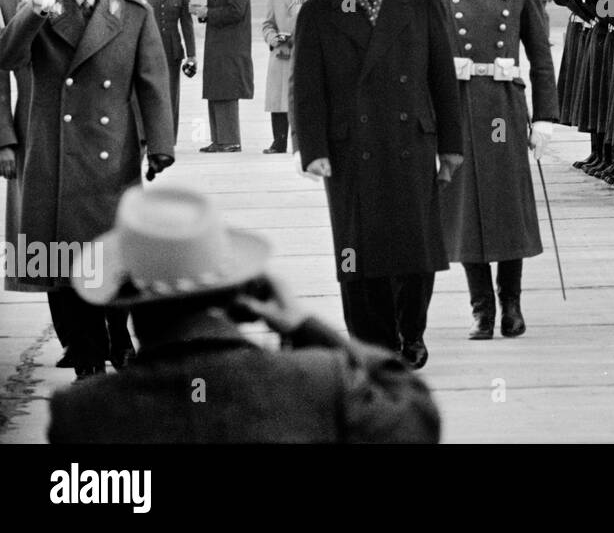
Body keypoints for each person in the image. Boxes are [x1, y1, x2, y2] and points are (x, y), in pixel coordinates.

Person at [47, 184, 442, 443]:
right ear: (237, 290)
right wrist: (305, 325)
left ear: (124, 301)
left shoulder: (82, 417)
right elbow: (417, 420)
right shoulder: (319, 382)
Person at [0, 0, 174, 378]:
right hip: (54, 157)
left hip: (110, 157)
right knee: (60, 265)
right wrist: (35, 12)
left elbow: (152, 82)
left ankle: (119, 341)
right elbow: (8, 59)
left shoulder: (132, 13)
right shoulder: (38, 10)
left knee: (112, 260)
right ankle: (87, 358)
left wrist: (160, 145)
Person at [292, 0, 464, 368]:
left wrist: (451, 147)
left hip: (412, 142)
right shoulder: (320, 12)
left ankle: (413, 332)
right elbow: (307, 90)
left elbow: (442, 81)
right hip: (351, 151)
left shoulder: (421, 3)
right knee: (357, 252)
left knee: (416, 248)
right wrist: (313, 151)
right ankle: (372, 342)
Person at [429, 0, 558, 340]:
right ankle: (481, 310)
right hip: (460, 110)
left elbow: (541, 60)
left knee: (505, 206)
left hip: (504, 108)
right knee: (466, 210)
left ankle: (512, 306)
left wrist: (544, 119)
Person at [1, 0, 71, 294]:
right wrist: (5, 141)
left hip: (86, 129)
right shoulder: (11, 3)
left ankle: (108, 334)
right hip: (33, 129)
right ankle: (71, 339)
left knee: (89, 227)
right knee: (42, 229)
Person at [193, 0, 252, 152]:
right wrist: (205, 13)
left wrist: (208, 12)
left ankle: (230, 140)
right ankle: (220, 139)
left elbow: (237, 11)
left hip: (229, 48)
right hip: (219, 47)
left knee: (226, 91)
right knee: (216, 90)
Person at [134, 0, 197, 144]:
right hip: (148, 51)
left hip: (172, 51)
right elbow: (135, 23)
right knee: (149, 93)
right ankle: (149, 137)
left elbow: (187, 24)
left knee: (171, 96)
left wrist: (191, 54)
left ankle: (169, 139)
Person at [261, 0, 315, 154]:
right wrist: (272, 38)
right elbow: (267, 24)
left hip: (305, 52)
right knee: (278, 98)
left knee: (305, 99)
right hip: (281, 53)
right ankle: (279, 142)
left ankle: (304, 144)